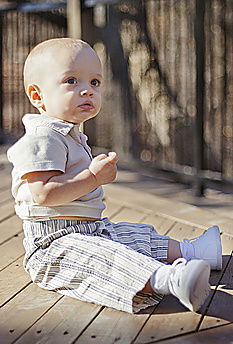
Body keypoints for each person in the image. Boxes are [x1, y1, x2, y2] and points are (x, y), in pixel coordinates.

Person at [7, 38, 222, 314]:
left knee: (133, 235)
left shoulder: (67, 133)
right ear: (37, 96)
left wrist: (92, 176)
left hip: (88, 229)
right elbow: (44, 194)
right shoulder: (42, 138)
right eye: (72, 81)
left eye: (94, 82)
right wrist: (92, 178)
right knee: (106, 258)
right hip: (53, 247)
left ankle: (192, 251)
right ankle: (170, 280)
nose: (87, 91)